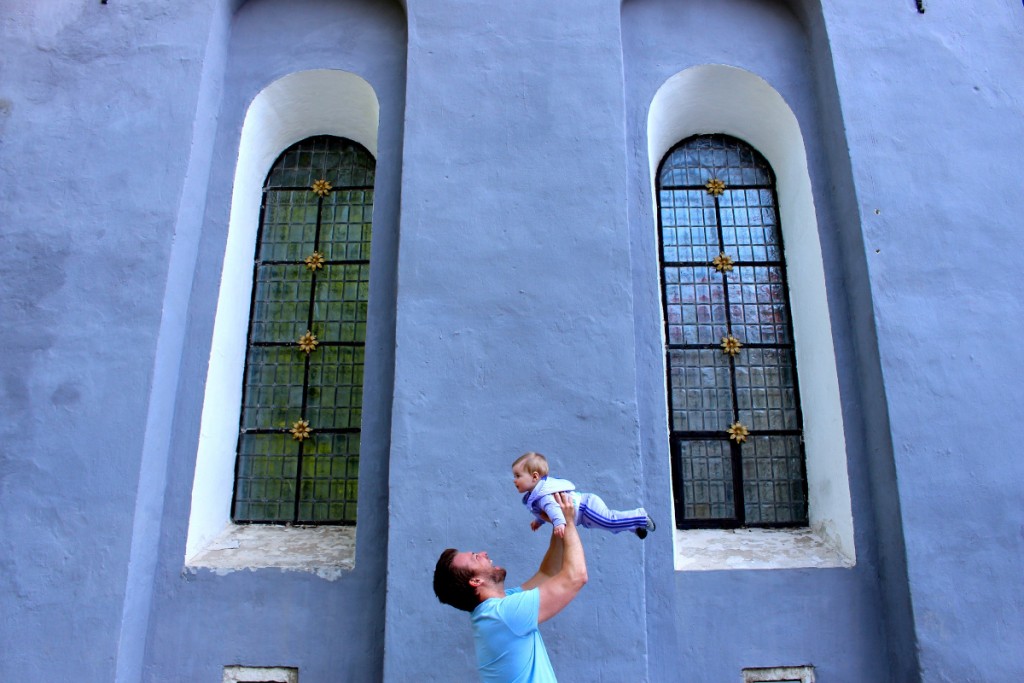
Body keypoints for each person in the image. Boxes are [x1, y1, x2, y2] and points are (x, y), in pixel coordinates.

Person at [433, 492, 586, 683]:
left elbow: (548, 573)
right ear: (476, 582)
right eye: (475, 557)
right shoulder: (504, 615)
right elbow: (576, 577)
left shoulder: (497, 609)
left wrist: (558, 523)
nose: (483, 553)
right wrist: (570, 523)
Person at [513, 451, 655, 539]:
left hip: (586, 508)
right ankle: (635, 527)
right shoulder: (537, 494)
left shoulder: (543, 496)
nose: (514, 480)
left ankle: (640, 517)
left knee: (610, 521)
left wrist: (559, 524)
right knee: (610, 526)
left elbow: (552, 509)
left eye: (518, 476)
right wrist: (539, 521)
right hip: (584, 513)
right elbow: (546, 511)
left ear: (535, 477)